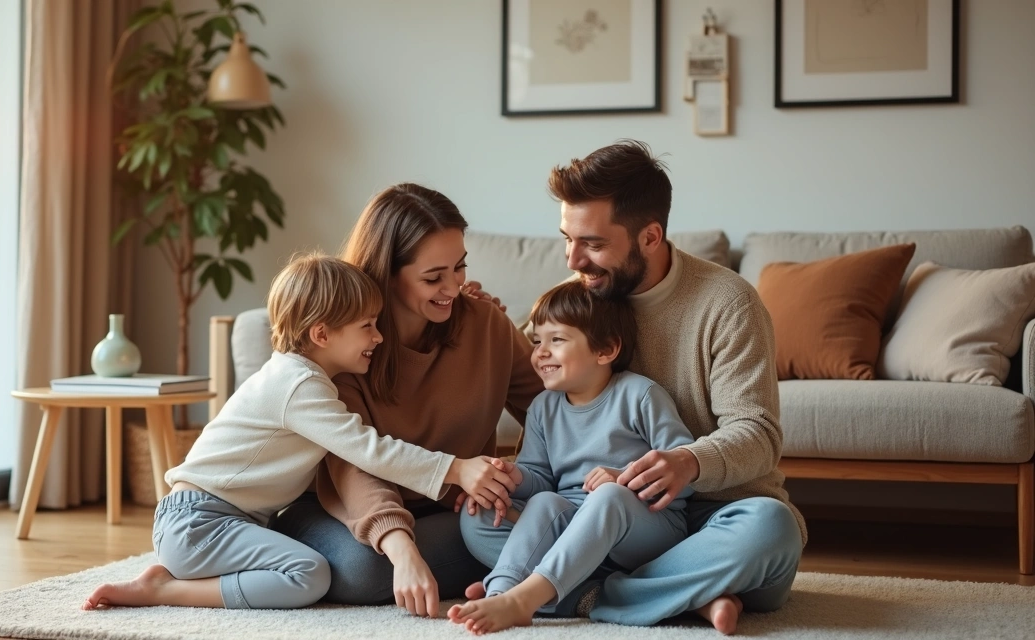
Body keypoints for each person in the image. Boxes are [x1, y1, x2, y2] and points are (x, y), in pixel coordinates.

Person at [466, 140, 805, 636]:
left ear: (650, 236)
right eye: (567, 238)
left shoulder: (728, 302)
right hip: (605, 524)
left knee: (771, 529)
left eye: (594, 244)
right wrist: (478, 319)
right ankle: (684, 596)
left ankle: (574, 594)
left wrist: (688, 462)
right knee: (479, 520)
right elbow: (541, 379)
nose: (574, 259)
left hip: (715, 518)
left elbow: (757, 433)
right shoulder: (584, 297)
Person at [81, 253, 517, 611]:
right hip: (199, 522)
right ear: (321, 333)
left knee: (311, 568)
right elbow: (369, 450)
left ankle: (170, 577)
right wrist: (455, 469)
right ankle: (165, 592)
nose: (379, 337)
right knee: (309, 575)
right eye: (367, 325)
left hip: (213, 520)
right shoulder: (300, 387)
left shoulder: (303, 378)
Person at [270, 184, 544, 618]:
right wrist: (401, 548)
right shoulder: (345, 349)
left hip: (455, 512)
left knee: (544, 522)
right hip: (360, 512)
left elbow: (552, 411)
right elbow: (353, 464)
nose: (453, 288)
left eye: (460, 268)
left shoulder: (486, 325)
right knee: (364, 570)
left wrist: (527, 480)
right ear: (385, 273)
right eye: (434, 277)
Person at [449, 280, 695, 634]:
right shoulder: (543, 408)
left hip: (645, 528)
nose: (540, 352)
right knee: (481, 513)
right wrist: (511, 477)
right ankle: (504, 591)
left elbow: (682, 473)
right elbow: (541, 481)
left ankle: (530, 595)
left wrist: (623, 479)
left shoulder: (640, 395)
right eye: (537, 341)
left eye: (557, 340)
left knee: (609, 497)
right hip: (574, 529)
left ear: (606, 349)